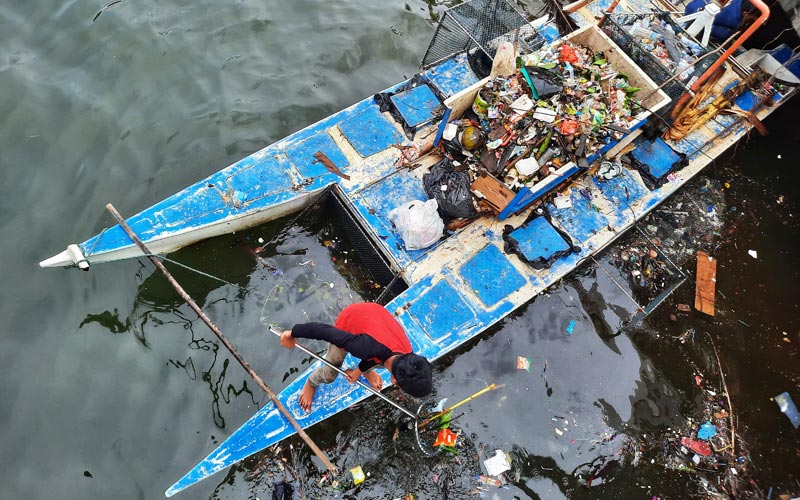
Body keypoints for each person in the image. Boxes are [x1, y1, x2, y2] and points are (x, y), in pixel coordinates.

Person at [280, 302, 433, 412]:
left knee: (383, 362)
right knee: (330, 374)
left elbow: (381, 354)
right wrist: (292, 333)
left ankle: (366, 371)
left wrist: (358, 371)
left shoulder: (408, 354)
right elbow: (324, 331)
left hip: (375, 317)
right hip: (350, 321)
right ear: (393, 381)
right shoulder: (364, 347)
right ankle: (311, 382)